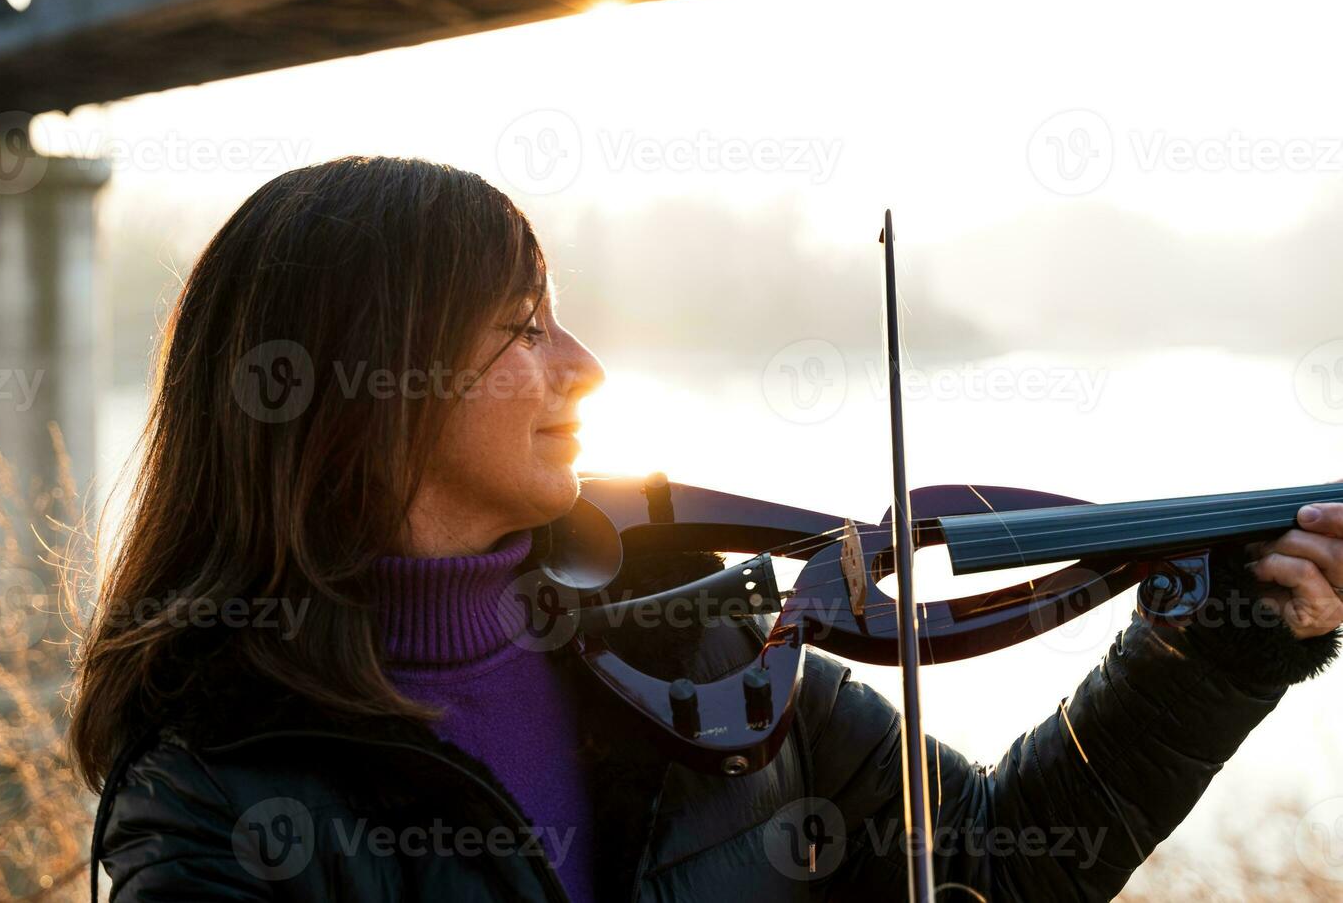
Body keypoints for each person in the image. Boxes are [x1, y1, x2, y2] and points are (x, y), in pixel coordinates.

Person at [73, 156, 1341, 902]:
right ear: (367, 383)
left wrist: (1219, 646)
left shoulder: (695, 639)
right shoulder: (213, 792)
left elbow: (1000, 864)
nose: (582, 368)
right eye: (524, 326)